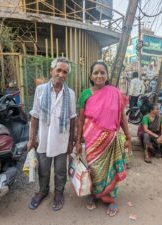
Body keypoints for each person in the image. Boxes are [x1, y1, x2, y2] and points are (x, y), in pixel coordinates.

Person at [76, 61, 131, 217]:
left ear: (107, 76)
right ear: (90, 76)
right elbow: (80, 120)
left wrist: (127, 136)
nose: (99, 75)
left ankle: (111, 199)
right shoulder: (85, 94)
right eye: (96, 73)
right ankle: (94, 195)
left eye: (102, 72)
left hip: (112, 140)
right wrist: (77, 141)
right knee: (94, 169)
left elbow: (122, 117)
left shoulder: (115, 93)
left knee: (111, 170)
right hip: (92, 141)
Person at [27, 57, 76, 211]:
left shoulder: (70, 93)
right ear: (52, 71)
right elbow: (35, 115)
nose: (61, 74)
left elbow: (72, 118)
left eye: (65, 72)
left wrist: (71, 142)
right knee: (43, 168)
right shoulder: (40, 90)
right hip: (44, 138)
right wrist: (31, 138)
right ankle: (43, 191)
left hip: (61, 139)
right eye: (58, 70)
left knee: (61, 171)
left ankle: (59, 193)